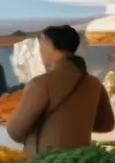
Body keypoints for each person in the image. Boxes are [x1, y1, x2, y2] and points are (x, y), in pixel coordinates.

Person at [6, 25, 114, 155]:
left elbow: (14, 131)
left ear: (48, 44)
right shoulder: (93, 83)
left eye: (41, 43)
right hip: (80, 159)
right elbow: (106, 124)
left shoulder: (41, 84)